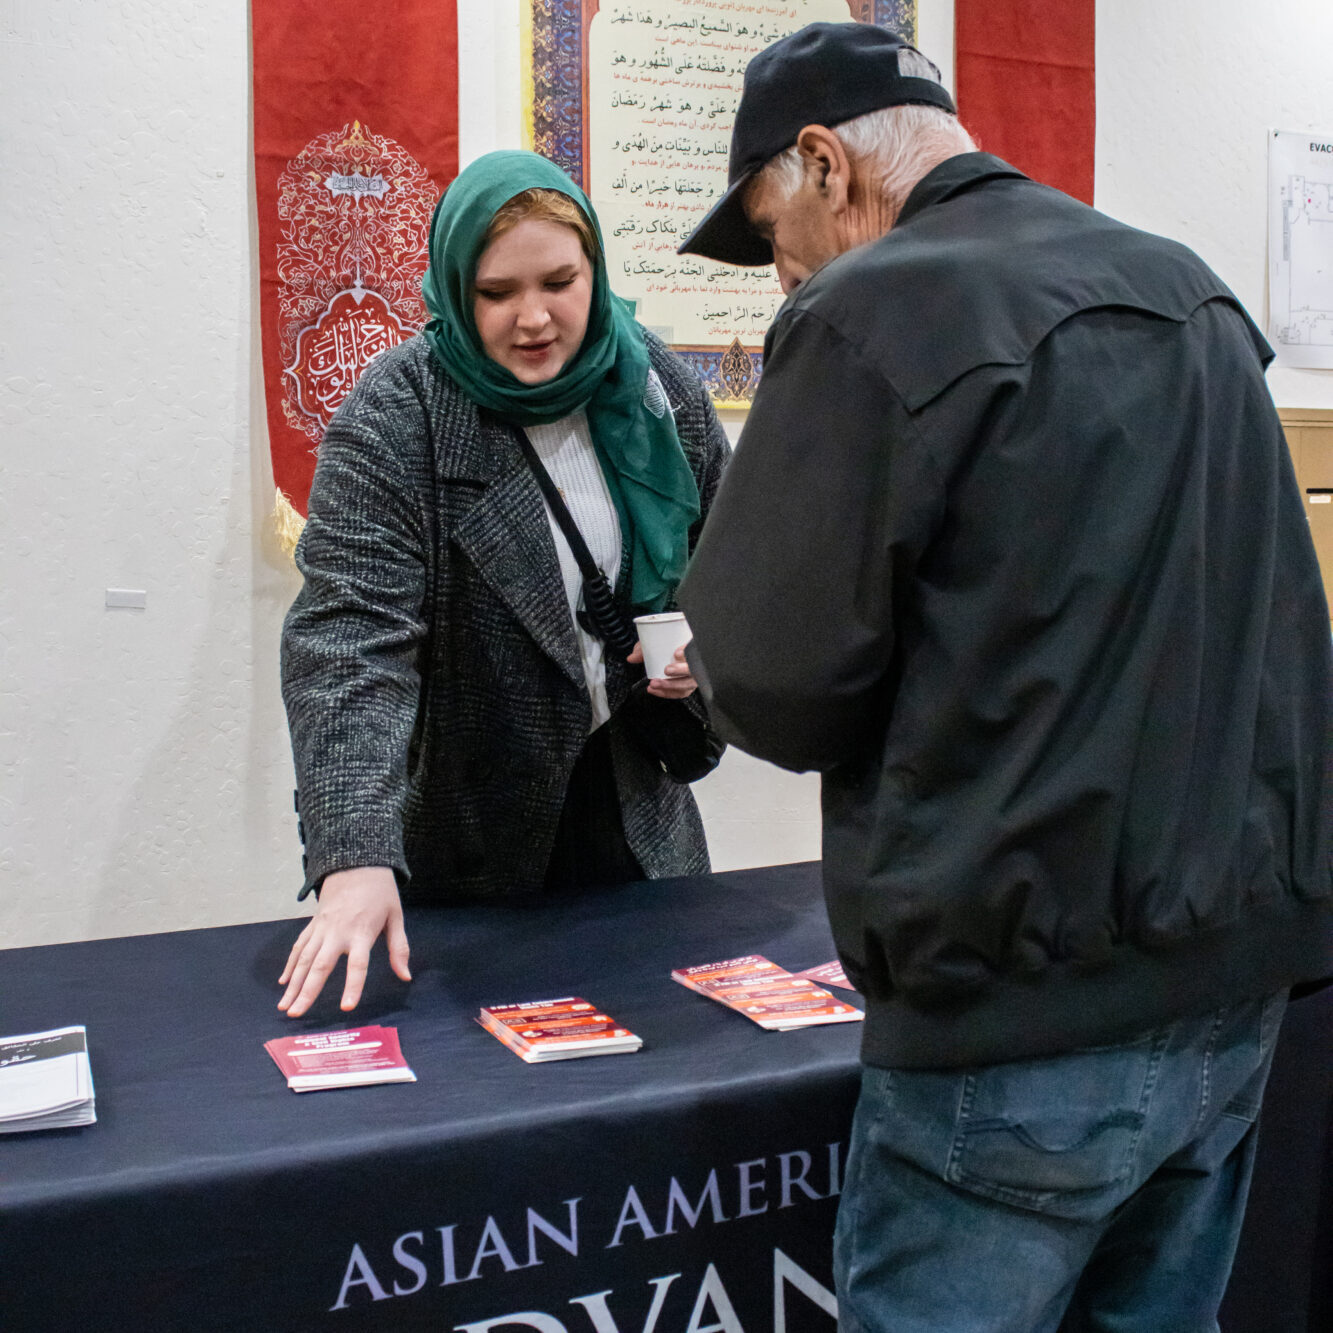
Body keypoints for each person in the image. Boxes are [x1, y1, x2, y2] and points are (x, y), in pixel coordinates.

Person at [675, 22, 1333, 1333]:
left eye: (771, 235)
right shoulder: (1189, 293)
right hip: (1230, 989)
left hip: (1017, 1014)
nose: (780, 274)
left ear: (822, 164)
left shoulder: (866, 314)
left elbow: (771, 682)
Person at [278, 151, 729, 1020]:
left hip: (638, 824)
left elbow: (734, 569)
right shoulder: (399, 412)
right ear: (455, 289)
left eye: (560, 281)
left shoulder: (656, 389)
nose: (534, 317)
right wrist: (354, 855)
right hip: (469, 845)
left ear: (595, 269)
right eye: (496, 293)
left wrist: (707, 658)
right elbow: (348, 641)